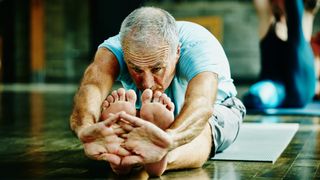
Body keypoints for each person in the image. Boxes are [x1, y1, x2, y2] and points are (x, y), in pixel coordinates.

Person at [69, 7, 245, 177]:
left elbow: (202, 103)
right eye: (136, 69)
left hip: (217, 110)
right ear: (124, 52)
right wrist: (86, 129)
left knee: (205, 129)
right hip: (148, 112)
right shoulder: (116, 47)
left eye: (156, 69)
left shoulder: (198, 46)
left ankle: (160, 157)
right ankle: (125, 150)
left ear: (177, 52)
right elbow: (92, 86)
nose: (147, 84)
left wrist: (168, 140)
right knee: (123, 117)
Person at [243, 0, 320, 109]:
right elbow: (260, 3)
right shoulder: (268, 22)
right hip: (277, 88)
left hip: (302, 88)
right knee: (257, 95)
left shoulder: (305, 18)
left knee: (296, 27)